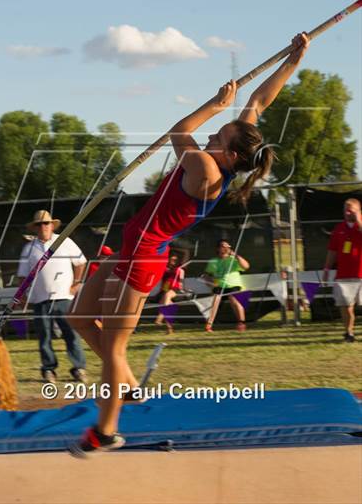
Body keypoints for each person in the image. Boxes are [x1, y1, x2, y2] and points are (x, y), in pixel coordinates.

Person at [68, 33, 310, 454]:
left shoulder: (204, 168)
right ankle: (129, 388)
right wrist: (292, 60)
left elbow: (179, 131)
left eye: (219, 136)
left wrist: (215, 105)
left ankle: (104, 432)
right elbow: (258, 103)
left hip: (144, 258)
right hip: (133, 251)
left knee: (113, 347)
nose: (212, 137)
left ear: (232, 155)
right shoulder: (225, 157)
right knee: (80, 317)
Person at [17, 210, 88, 383]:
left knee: (71, 334)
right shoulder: (29, 248)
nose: (43, 227)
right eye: (39, 224)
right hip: (40, 300)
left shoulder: (64, 241)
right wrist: (23, 295)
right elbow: (22, 275)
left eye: (46, 223)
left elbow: (81, 262)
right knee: (44, 337)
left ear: (52, 225)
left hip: (64, 297)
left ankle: (79, 368)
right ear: (35, 228)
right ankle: (49, 370)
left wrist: (77, 283)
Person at [323, 198, 362, 342]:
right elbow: (332, 251)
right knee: (345, 306)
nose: (347, 212)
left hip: (361, 274)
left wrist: (359, 222)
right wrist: (327, 268)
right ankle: (349, 333)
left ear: (358, 210)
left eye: (350, 209)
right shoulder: (339, 228)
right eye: (345, 209)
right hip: (344, 275)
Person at [203, 240, 250, 332]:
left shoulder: (233, 260)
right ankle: (209, 325)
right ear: (218, 248)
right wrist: (210, 282)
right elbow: (206, 276)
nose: (225, 248)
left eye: (227, 246)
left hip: (233, 285)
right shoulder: (214, 261)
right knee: (215, 300)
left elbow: (246, 266)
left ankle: (241, 323)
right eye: (222, 246)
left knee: (234, 299)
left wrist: (235, 255)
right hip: (219, 286)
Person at [154, 253, 185, 334]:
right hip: (164, 291)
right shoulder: (164, 269)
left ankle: (159, 317)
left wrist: (183, 289)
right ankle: (169, 329)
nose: (173, 262)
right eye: (171, 259)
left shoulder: (180, 270)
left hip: (176, 290)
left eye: (175, 260)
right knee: (168, 307)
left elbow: (181, 283)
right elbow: (162, 282)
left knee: (167, 296)